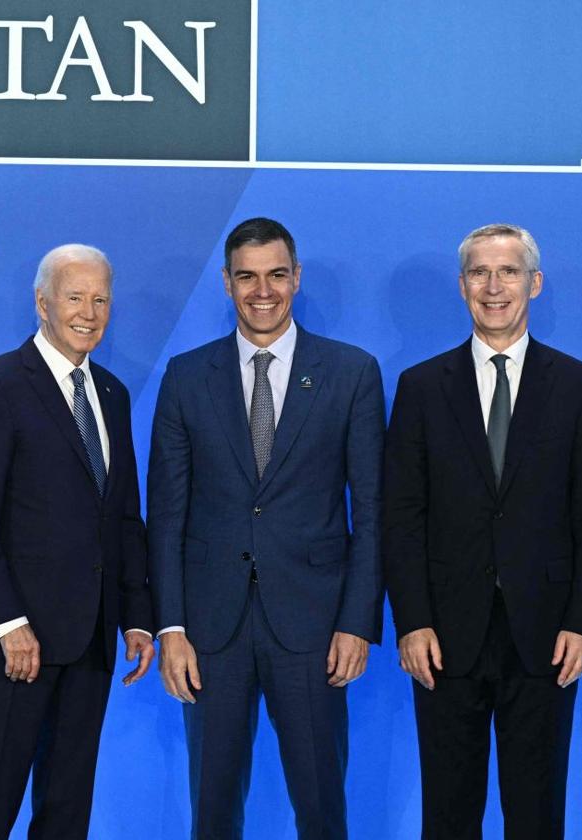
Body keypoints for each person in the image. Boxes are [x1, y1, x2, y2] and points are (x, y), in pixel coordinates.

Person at [148, 217, 384, 839]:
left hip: (312, 629)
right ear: (226, 284)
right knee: (213, 810)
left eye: (277, 274)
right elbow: (166, 515)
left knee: (320, 808)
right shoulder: (185, 376)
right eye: (247, 277)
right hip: (209, 632)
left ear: (296, 278)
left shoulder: (351, 373)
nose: (263, 291)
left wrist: (357, 621)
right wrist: (170, 626)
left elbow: (374, 511)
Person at [383, 224, 582, 839]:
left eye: (508, 272)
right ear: (462, 287)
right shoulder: (422, 387)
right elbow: (401, 516)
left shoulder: (577, 385)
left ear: (534, 284)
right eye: (480, 274)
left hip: (545, 637)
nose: (494, 287)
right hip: (444, 638)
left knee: (536, 816)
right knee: (449, 816)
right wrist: (412, 621)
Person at [0, 244, 155, 839]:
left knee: (67, 809)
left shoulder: (112, 393)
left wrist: (136, 614)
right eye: (74, 297)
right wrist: (9, 625)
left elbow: (122, 517)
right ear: (42, 303)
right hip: (18, 646)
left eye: (101, 299)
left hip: (89, 641)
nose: (88, 312)